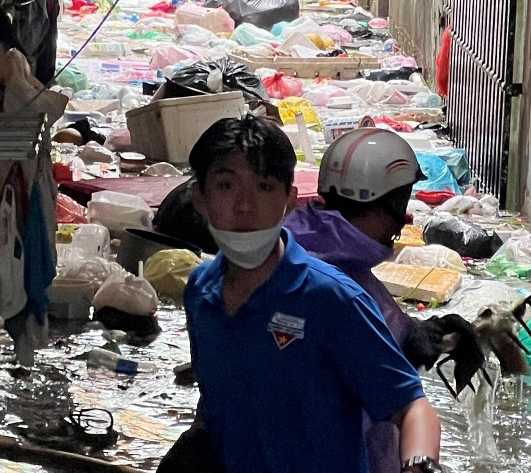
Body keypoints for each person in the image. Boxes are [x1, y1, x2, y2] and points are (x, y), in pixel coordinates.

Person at [171, 115, 442, 473]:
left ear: (290, 200)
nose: (245, 206)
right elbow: (221, 394)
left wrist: (420, 465)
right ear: (199, 198)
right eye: (225, 186)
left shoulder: (333, 298)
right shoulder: (201, 292)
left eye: (265, 186)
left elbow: (411, 406)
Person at [284, 127, 481, 473]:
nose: (405, 218)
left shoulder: (315, 252)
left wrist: (422, 333)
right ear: (372, 201)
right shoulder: (328, 282)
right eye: (399, 204)